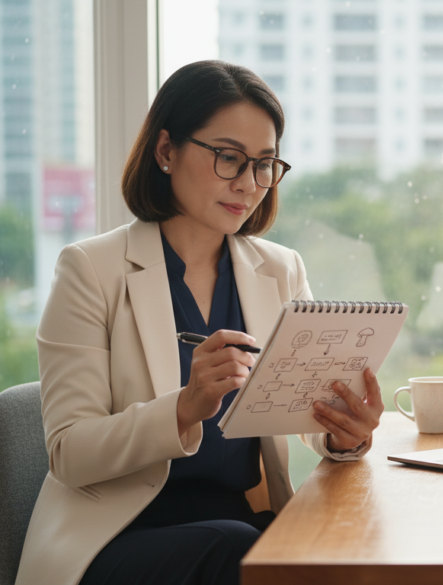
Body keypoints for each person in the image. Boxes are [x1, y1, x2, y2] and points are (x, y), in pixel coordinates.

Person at [15, 61, 384, 585]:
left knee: (330, 549)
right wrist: (184, 408)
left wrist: (342, 433)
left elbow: (304, 414)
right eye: (229, 158)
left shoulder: (280, 270)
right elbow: (69, 452)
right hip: (116, 537)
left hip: (242, 526)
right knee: (243, 551)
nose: (249, 183)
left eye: (264, 164)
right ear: (166, 151)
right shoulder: (90, 269)